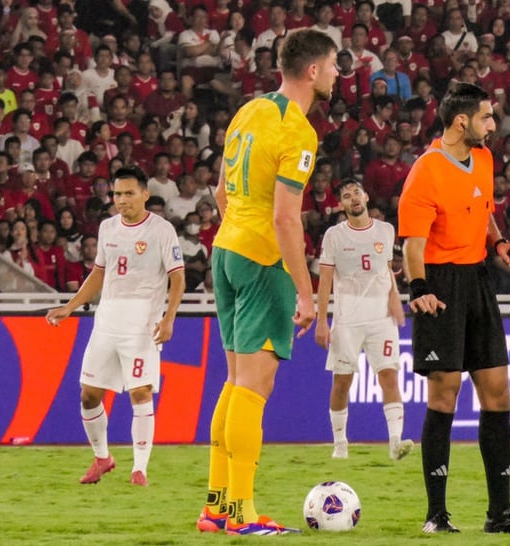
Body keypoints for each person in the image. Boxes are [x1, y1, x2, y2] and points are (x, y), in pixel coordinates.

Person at [196, 29, 337, 536]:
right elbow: (286, 219)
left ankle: (216, 506)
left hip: (227, 251)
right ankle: (243, 513)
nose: (339, 74)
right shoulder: (298, 131)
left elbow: (219, 189)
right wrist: (304, 291)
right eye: (335, 65)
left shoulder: (250, 110)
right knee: (255, 388)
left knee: (235, 383)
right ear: (313, 70)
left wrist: (236, 231)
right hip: (261, 260)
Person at [398, 82, 510, 535]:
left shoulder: (482, 158)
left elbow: (483, 209)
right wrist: (419, 287)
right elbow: (413, 244)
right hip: (440, 283)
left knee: (497, 392)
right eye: (487, 116)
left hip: (478, 278)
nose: (493, 123)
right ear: (462, 121)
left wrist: (500, 241)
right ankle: (436, 515)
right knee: (444, 394)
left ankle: (500, 513)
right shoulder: (425, 170)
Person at [45, 166, 185, 487]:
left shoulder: (161, 230)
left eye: (128, 194)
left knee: (140, 391)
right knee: (89, 396)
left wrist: (169, 318)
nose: (121, 200)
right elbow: (98, 273)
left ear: (144, 195)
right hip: (107, 321)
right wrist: (70, 306)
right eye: (117, 194)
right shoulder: (108, 228)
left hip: (143, 325)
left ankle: (140, 469)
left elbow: (178, 277)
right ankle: (102, 457)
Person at [314, 179, 413, 461]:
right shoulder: (334, 236)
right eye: (346, 196)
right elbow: (325, 281)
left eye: (357, 192)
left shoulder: (386, 230)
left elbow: (388, 271)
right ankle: (340, 443)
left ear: (366, 196)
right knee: (342, 382)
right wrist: (322, 321)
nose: (353, 198)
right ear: (341, 205)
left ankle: (395, 442)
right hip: (347, 317)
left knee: (390, 375)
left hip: (381, 317)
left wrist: (395, 299)